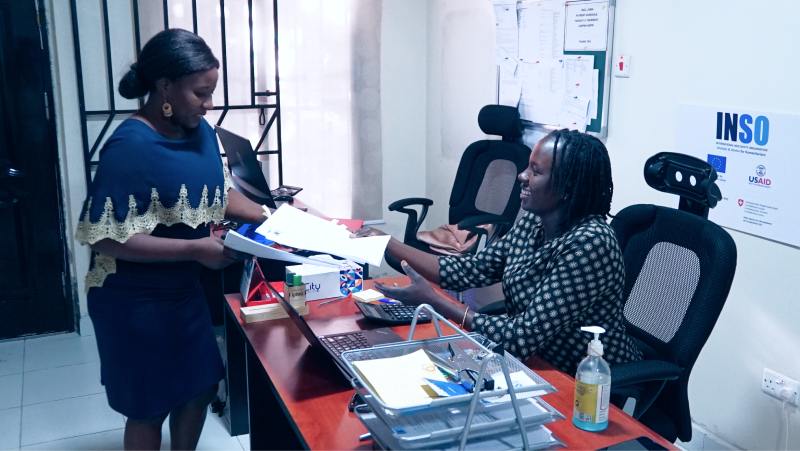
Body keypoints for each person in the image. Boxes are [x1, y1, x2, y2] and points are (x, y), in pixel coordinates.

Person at [75, 29, 265, 451]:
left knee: (199, 387)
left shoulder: (195, 131)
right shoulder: (129, 146)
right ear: (164, 86)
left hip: (181, 290)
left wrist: (274, 216)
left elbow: (218, 193)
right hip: (132, 298)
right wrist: (196, 248)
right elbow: (105, 239)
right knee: (149, 405)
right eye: (201, 93)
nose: (209, 104)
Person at [371, 129, 643, 375]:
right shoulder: (534, 222)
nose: (521, 176)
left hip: (582, 376)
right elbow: (471, 270)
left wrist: (435, 301)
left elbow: (519, 338)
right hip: (532, 362)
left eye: (535, 171)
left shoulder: (590, 243)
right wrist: (384, 242)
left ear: (567, 188)